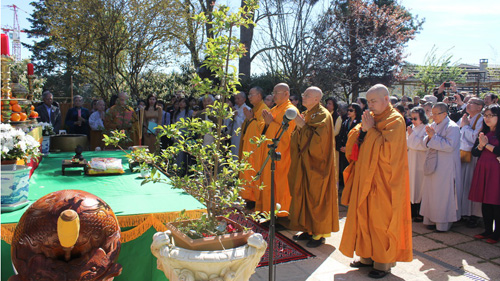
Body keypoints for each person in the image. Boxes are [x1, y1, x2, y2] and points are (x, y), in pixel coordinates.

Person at [340, 84, 412, 279]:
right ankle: (366, 258)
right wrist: (363, 130)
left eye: (374, 101)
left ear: (386, 100)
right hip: (365, 177)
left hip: (384, 181)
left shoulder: (395, 120)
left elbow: (389, 151)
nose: (370, 105)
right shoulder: (371, 117)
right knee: (364, 216)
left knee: (381, 221)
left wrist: (369, 130)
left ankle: (383, 263)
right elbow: (355, 138)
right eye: (368, 101)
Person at [288, 86, 339, 248]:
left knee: (316, 197)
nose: (303, 97)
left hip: (317, 166)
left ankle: (318, 234)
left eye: (307, 95)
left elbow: (320, 142)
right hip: (304, 163)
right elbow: (299, 135)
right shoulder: (309, 113)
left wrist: (302, 126)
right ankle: (307, 228)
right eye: (304, 94)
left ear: (317, 99)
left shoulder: (323, 115)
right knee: (303, 195)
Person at [256, 83, 298, 219]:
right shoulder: (275, 108)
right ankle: (269, 212)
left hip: (283, 155)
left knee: (280, 184)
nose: (273, 95)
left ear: (286, 94)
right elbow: (266, 128)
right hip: (271, 152)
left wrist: (271, 123)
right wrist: (267, 123)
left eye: (276, 93)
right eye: (273, 92)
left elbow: (290, 135)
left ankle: (281, 214)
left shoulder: (291, 111)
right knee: (269, 182)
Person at [420, 102, 462, 232]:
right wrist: (429, 138)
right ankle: (430, 219)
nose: (433, 116)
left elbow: (449, 146)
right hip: (433, 164)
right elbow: (425, 141)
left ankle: (443, 223)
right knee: (431, 192)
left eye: (436, 114)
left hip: (446, 166)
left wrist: (433, 137)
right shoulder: (433, 125)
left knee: (443, 193)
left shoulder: (452, 127)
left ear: (444, 114)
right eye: (432, 113)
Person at [469, 104, 500, 244]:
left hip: (496, 170)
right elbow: (474, 152)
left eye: (491, 115)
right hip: (484, 168)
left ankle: (496, 233)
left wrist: (486, 145)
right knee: (485, 200)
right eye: (485, 115)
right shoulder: (484, 132)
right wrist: (481, 145)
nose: (487, 119)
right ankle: (487, 230)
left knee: (496, 201)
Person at [238, 87, 269, 205]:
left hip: (256, 150)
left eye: (252, 95)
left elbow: (263, 128)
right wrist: (249, 119)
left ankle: (253, 199)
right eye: (249, 95)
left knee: (253, 171)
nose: (249, 97)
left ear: (259, 96)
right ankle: (247, 197)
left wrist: (251, 119)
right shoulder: (255, 109)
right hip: (249, 148)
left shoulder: (264, 110)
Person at [458, 98, 484, 227]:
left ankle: (474, 215)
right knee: (464, 183)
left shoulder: (481, 120)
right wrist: (464, 125)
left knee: (472, 183)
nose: (468, 105)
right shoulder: (466, 117)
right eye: (467, 103)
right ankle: (464, 212)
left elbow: (475, 137)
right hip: (463, 153)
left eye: (472, 103)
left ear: (479, 107)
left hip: (474, 156)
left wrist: (466, 126)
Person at [407, 107, 429, 222]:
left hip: (420, 162)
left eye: (415, 118)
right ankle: (411, 210)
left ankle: (420, 211)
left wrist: (411, 136)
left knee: (419, 185)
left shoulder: (425, 129)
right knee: (411, 185)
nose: (413, 121)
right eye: (411, 118)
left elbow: (422, 145)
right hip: (410, 161)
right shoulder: (412, 128)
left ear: (422, 118)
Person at [337, 103, 362, 189]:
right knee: (344, 168)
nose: (348, 112)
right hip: (344, 150)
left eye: (351, 110)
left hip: (354, 151)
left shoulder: (360, 122)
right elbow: (341, 135)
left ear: (356, 112)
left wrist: (348, 148)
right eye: (348, 110)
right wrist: (341, 146)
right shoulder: (346, 121)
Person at [229, 92, 250, 157]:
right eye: (235, 99)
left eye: (238, 98)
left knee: (238, 152)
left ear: (244, 99)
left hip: (240, 135)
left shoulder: (247, 109)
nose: (236, 100)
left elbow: (244, 124)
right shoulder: (235, 108)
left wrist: (236, 117)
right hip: (233, 134)